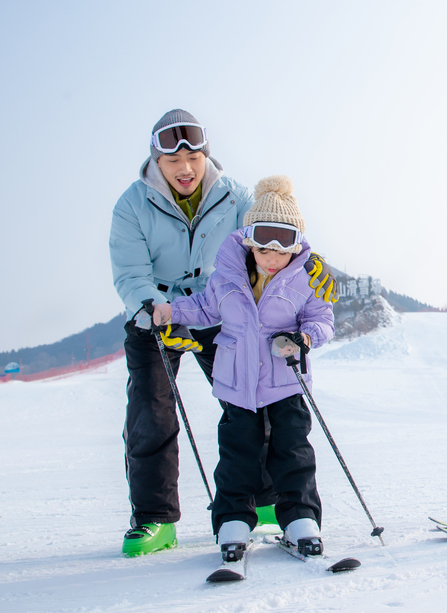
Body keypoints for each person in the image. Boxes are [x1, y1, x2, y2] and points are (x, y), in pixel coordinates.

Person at [110, 110, 337, 557]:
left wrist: (312, 266)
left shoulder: (234, 196)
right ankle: (155, 518)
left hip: (226, 315)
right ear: (156, 160)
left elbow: (269, 241)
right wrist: (157, 310)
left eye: (194, 157)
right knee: (150, 412)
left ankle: (268, 502)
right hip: (159, 315)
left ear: (206, 156)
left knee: (260, 400)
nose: (185, 169)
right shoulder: (132, 205)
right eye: (173, 161)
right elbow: (130, 271)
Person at [152, 175, 333, 559]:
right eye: (264, 247)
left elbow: (322, 319)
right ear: (249, 240)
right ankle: (233, 520)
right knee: (237, 455)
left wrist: (307, 338)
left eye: (283, 248)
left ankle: (300, 519)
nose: (272, 257)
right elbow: (202, 308)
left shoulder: (305, 279)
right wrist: (171, 311)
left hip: (286, 381)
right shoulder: (227, 278)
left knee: (293, 451)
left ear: (297, 245)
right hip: (237, 384)